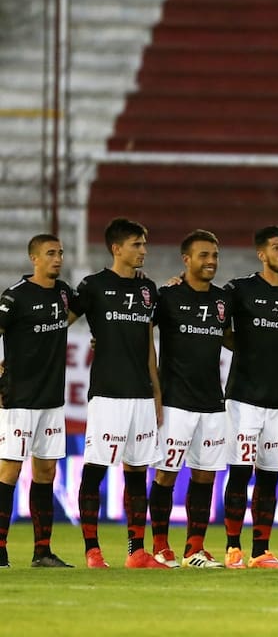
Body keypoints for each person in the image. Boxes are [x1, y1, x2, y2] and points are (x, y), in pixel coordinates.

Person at [69, 217, 167, 569]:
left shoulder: (148, 289)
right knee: (95, 469)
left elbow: (148, 344)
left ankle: (136, 551)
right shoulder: (93, 286)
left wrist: (156, 393)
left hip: (141, 393)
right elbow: (59, 322)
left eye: (144, 244)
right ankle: (92, 550)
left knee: (137, 472)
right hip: (108, 393)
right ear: (116, 248)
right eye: (137, 244)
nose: (144, 251)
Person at [221, 225, 278, 569]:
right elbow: (216, 324)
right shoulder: (240, 290)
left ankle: (261, 551)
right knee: (241, 471)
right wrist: (244, 346)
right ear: (262, 255)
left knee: (270, 474)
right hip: (243, 398)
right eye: (277, 247)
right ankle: (232, 548)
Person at [146, 230, 229, 569]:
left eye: (214, 255)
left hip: (212, 401)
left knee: (205, 475)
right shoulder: (167, 295)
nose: (211, 261)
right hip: (175, 401)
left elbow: (232, 338)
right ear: (186, 259)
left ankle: (195, 549)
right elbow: (140, 331)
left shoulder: (223, 300)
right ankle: (160, 547)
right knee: (166, 474)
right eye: (203, 255)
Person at [0, 234, 76, 568]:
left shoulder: (63, 292)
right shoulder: (15, 296)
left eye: (60, 253)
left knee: (46, 471)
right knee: (10, 469)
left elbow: (86, 307)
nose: (57, 258)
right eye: (50, 253)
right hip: (19, 397)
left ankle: (42, 552)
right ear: (34, 258)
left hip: (51, 399)